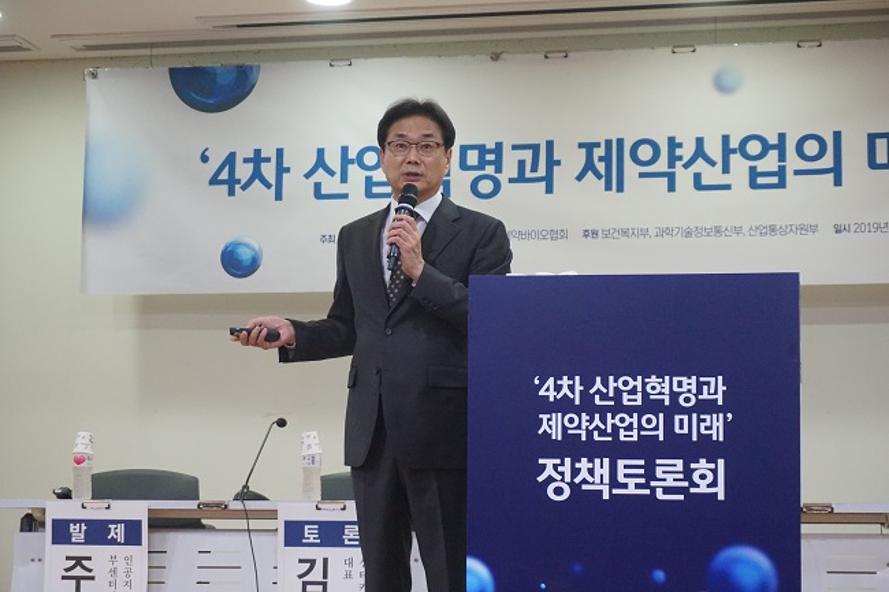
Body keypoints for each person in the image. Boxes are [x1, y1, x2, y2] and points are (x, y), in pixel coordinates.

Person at [231, 98, 512, 592]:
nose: (412, 157)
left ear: (448, 158)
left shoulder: (482, 232)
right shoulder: (356, 236)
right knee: (380, 574)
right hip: (373, 432)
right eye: (399, 146)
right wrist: (294, 332)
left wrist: (421, 271)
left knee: (451, 573)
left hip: (443, 430)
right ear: (382, 157)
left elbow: (491, 321)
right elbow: (349, 326)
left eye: (426, 146)